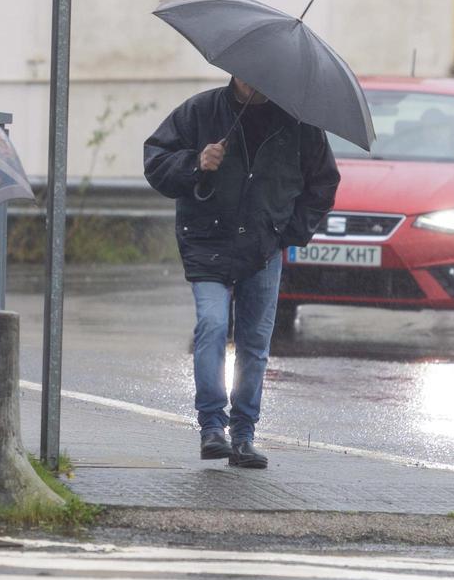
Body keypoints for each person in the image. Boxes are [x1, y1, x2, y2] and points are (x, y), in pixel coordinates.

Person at [144, 77, 340, 469]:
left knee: (254, 344)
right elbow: (156, 162)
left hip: (263, 248)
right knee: (213, 326)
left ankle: (244, 435)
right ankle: (211, 427)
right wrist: (196, 163)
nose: (259, 83)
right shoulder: (200, 111)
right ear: (235, 71)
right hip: (207, 242)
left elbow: (323, 182)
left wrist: (289, 233)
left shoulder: (297, 124)